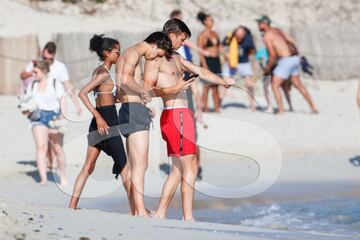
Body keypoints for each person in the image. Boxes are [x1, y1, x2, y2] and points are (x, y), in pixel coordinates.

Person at [144, 18, 235, 221]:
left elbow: (200, 70)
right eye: (182, 39)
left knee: (177, 169)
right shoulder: (155, 59)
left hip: (180, 116)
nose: (182, 43)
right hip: (175, 115)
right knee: (190, 167)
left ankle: (160, 213)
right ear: (172, 35)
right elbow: (147, 89)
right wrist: (175, 88)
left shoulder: (176, 57)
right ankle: (188, 216)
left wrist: (222, 81)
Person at [116, 31, 190, 217]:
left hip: (129, 108)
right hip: (133, 110)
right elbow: (126, 80)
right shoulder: (133, 53)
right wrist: (143, 93)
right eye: (158, 53)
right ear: (154, 44)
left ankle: (136, 209)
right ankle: (140, 210)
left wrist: (140, 103)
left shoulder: (127, 53)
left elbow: (119, 89)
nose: (156, 58)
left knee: (134, 165)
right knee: (141, 165)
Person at [69, 35, 132, 211]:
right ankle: (137, 210)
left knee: (88, 167)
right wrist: (98, 116)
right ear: (106, 53)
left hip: (101, 120)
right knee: (124, 166)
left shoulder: (100, 71)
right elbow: (82, 92)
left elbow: (105, 98)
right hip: (107, 122)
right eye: (116, 52)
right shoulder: (103, 73)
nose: (119, 54)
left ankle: (72, 205)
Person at [20, 42, 82, 169]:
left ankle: (52, 161)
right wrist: (31, 73)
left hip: (56, 106)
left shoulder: (60, 67)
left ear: (54, 55)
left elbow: (67, 85)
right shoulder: (36, 63)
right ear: (42, 53)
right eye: (45, 58)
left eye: (50, 58)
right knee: (44, 138)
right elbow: (22, 75)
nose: (47, 61)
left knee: (54, 138)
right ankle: (49, 161)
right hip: (39, 106)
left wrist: (77, 104)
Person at [257, 15, 318, 114]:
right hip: (295, 58)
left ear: (265, 24)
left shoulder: (267, 36)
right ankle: (313, 107)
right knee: (298, 85)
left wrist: (267, 69)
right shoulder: (277, 30)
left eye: (259, 23)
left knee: (275, 85)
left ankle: (281, 111)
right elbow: (292, 41)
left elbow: (272, 55)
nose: (258, 25)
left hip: (286, 60)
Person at [170, 9, 204, 180]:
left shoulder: (181, 46)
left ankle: (196, 168)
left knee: (192, 133)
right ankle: (183, 168)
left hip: (186, 76)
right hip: (178, 82)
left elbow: (195, 73)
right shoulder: (170, 48)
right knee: (180, 133)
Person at [22, 60, 67, 187]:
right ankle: (43, 179)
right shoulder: (32, 85)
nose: (33, 74)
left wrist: (61, 117)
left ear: (43, 71)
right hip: (38, 117)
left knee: (58, 149)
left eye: (35, 72)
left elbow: (63, 100)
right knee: (41, 147)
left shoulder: (55, 83)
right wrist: (26, 110)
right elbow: (26, 101)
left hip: (54, 117)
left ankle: (62, 176)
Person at [223, 26, 257, 111]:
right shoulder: (230, 37)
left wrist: (254, 68)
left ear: (245, 34)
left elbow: (253, 52)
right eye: (238, 33)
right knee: (223, 82)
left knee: (249, 84)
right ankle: (220, 103)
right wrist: (226, 55)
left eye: (242, 34)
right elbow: (221, 46)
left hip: (244, 62)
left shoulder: (248, 39)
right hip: (231, 62)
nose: (240, 36)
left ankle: (252, 104)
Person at [197, 12, 222, 112]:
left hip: (216, 60)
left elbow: (219, 47)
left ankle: (217, 108)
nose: (212, 22)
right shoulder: (202, 35)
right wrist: (204, 65)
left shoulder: (215, 33)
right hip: (207, 61)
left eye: (212, 20)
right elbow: (200, 52)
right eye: (210, 20)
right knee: (206, 86)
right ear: (205, 22)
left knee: (216, 85)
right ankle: (205, 108)